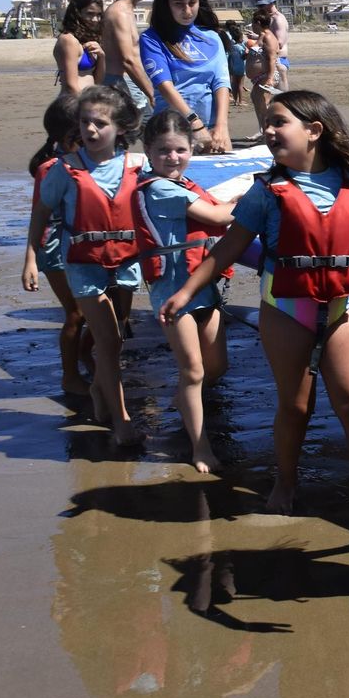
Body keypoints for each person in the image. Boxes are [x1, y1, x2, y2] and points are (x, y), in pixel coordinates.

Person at [161, 91, 349, 516]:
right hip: (286, 310)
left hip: (341, 310)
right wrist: (186, 292)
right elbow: (226, 250)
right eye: (268, 123)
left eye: (279, 122)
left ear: (314, 131)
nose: (267, 131)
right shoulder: (266, 192)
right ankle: (285, 482)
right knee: (296, 405)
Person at [23, 85, 143, 446]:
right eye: (85, 122)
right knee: (106, 341)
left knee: (116, 338)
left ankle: (97, 389)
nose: (90, 130)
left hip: (126, 261)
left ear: (121, 128)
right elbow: (41, 213)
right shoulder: (64, 169)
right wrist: (30, 257)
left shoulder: (138, 166)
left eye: (100, 123)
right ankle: (121, 419)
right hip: (83, 265)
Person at [135, 110, 234, 474]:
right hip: (173, 292)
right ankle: (199, 445)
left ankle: (182, 400)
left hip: (203, 289)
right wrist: (258, 196)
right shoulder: (159, 188)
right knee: (192, 370)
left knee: (216, 366)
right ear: (147, 151)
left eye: (180, 150)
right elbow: (220, 217)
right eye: (163, 151)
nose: (173, 158)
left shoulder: (186, 184)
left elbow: (216, 211)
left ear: (191, 149)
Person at [21, 94, 90, 397]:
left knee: (102, 310)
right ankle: (70, 375)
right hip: (56, 247)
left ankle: (87, 354)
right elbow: (39, 214)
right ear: (65, 137)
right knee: (76, 313)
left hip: (85, 242)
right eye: (84, 131)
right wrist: (30, 260)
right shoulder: (51, 167)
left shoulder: (95, 159)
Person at [139, 0, 232, 154]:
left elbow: (221, 83)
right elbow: (165, 87)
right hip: (172, 130)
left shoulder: (212, 37)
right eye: (179, 4)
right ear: (167, 4)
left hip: (213, 129)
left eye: (192, 3)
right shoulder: (151, 39)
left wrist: (221, 127)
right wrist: (195, 125)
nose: (187, 11)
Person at [100, 0, 155, 128]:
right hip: (121, 81)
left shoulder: (123, 10)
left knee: (124, 132)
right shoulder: (121, 13)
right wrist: (151, 93)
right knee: (151, 130)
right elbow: (128, 59)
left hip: (121, 80)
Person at [53, 0, 104, 94]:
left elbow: (98, 81)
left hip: (89, 99)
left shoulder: (89, 39)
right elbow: (70, 85)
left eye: (98, 14)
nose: (95, 19)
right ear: (77, 13)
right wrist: (85, 106)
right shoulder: (68, 40)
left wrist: (102, 56)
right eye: (90, 14)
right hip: (74, 103)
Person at [245, 5, 284, 136]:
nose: (252, 26)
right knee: (257, 102)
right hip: (260, 77)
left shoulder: (269, 37)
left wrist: (270, 78)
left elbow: (272, 58)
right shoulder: (262, 36)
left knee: (264, 106)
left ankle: (269, 133)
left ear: (259, 23)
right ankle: (263, 131)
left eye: (254, 23)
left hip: (267, 76)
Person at [253, 0, 290, 91]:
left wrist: (259, 41)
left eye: (261, 5)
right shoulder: (269, 18)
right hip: (271, 59)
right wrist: (257, 37)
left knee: (281, 96)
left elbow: (279, 43)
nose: (259, 8)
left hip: (279, 61)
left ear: (270, 3)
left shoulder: (278, 19)